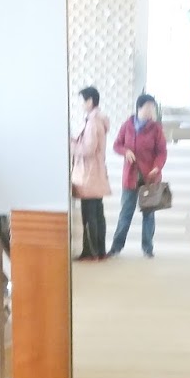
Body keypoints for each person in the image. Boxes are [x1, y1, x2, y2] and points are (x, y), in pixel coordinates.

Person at [109, 94, 168, 258]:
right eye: (148, 107)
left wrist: (157, 167)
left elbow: (162, 152)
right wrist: (125, 151)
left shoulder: (156, 128)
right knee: (125, 212)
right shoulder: (127, 125)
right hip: (130, 176)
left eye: (153, 107)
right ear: (139, 108)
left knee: (148, 214)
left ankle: (147, 248)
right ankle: (116, 247)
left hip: (150, 176)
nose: (151, 111)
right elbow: (116, 145)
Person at [70, 86, 111, 260]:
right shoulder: (98, 120)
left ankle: (91, 251)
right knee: (97, 212)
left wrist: (71, 145)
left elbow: (88, 149)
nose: (81, 105)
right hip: (95, 173)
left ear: (90, 101)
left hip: (89, 174)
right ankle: (99, 250)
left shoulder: (93, 122)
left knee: (90, 214)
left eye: (82, 101)